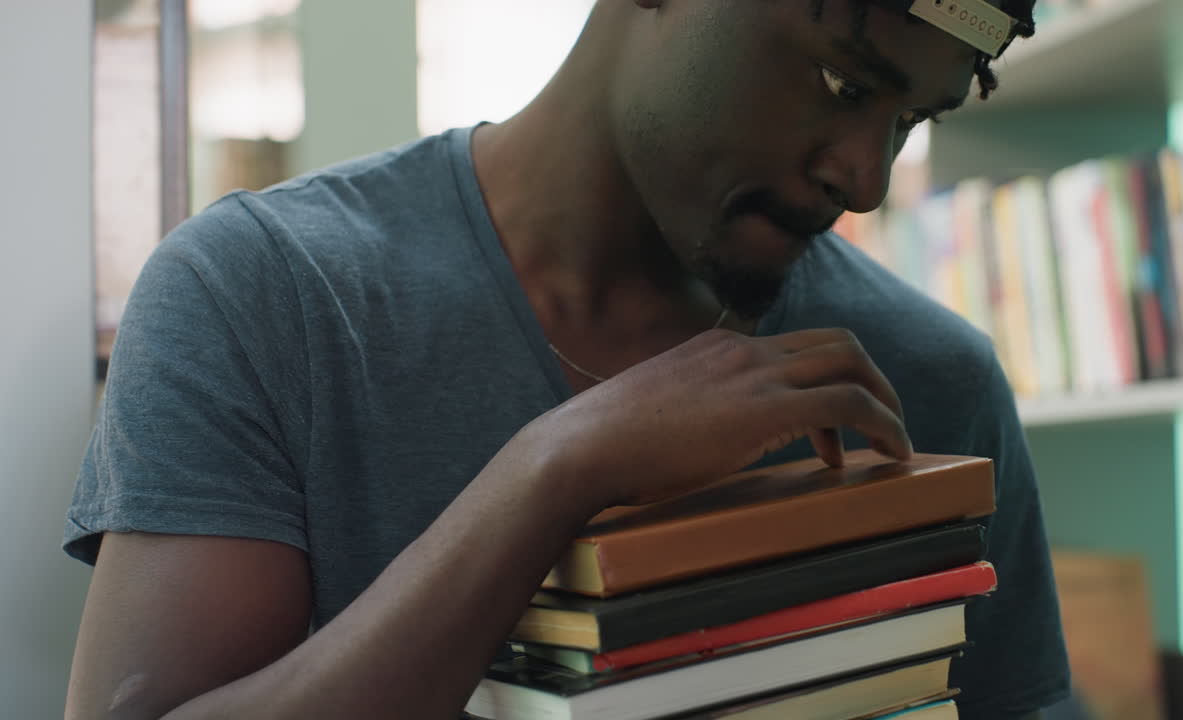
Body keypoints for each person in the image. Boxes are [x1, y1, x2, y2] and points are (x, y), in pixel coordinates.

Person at [64, 1, 1069, 718]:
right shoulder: (262, 294)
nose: (864, 176)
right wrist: (553, 473)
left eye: (908, 119)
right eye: (843, 81)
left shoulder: (930, 381)